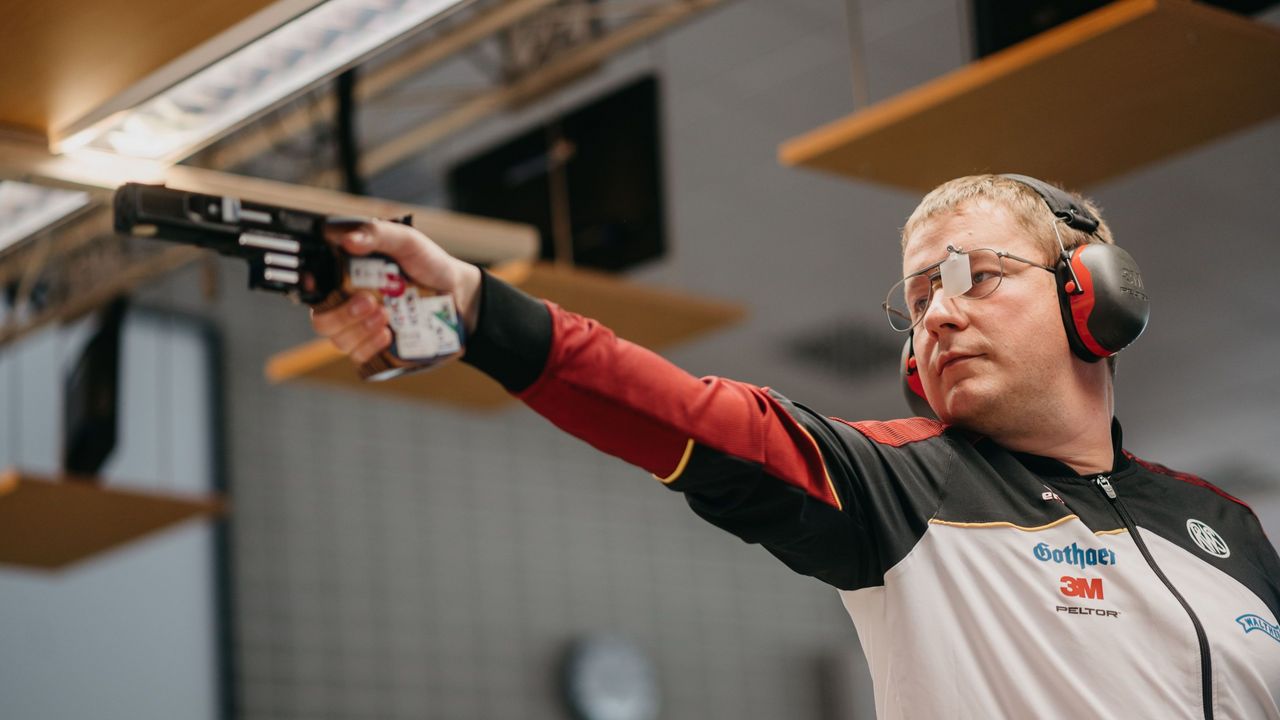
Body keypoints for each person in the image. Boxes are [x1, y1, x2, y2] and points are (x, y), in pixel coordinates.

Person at [311, 174, 1280, 718]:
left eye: (972, 276)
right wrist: (479, 313)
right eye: (918, 295)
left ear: (1092, 295)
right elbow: (681, 412)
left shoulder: (1225, 526)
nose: (935, 314)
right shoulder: (899, 488)